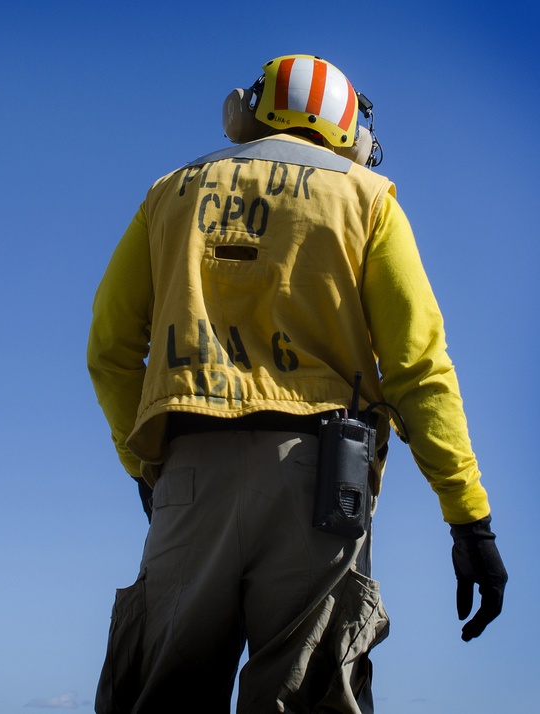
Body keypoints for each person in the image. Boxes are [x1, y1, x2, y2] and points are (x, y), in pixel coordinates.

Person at [86, 54, 508, 713]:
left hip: (188, 472)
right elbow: (419, 369)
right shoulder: (367, 200)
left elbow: (110, 348)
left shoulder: (170, 194)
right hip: (322, 486)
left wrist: (146, 465)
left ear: (251, 111)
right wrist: (468, 519)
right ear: (350, 133)